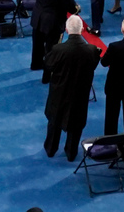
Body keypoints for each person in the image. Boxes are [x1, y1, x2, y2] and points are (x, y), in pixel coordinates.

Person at [43, 15, 101, 161]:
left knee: (54, 122)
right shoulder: (92, 50)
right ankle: (71, 152)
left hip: (59, 92)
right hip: (79, 94)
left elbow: (48, 65)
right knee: (76, 125)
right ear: (82, 29)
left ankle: (51, 149)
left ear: (67, 30)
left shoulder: (58, 49)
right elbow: (93, 66)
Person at [31, 0, 79, 81]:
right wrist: (76, 9)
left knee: (37, 43)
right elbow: (70, 6)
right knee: (52, 49)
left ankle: (35, 64)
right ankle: (47, 75)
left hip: (38, 16)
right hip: (53, 21)